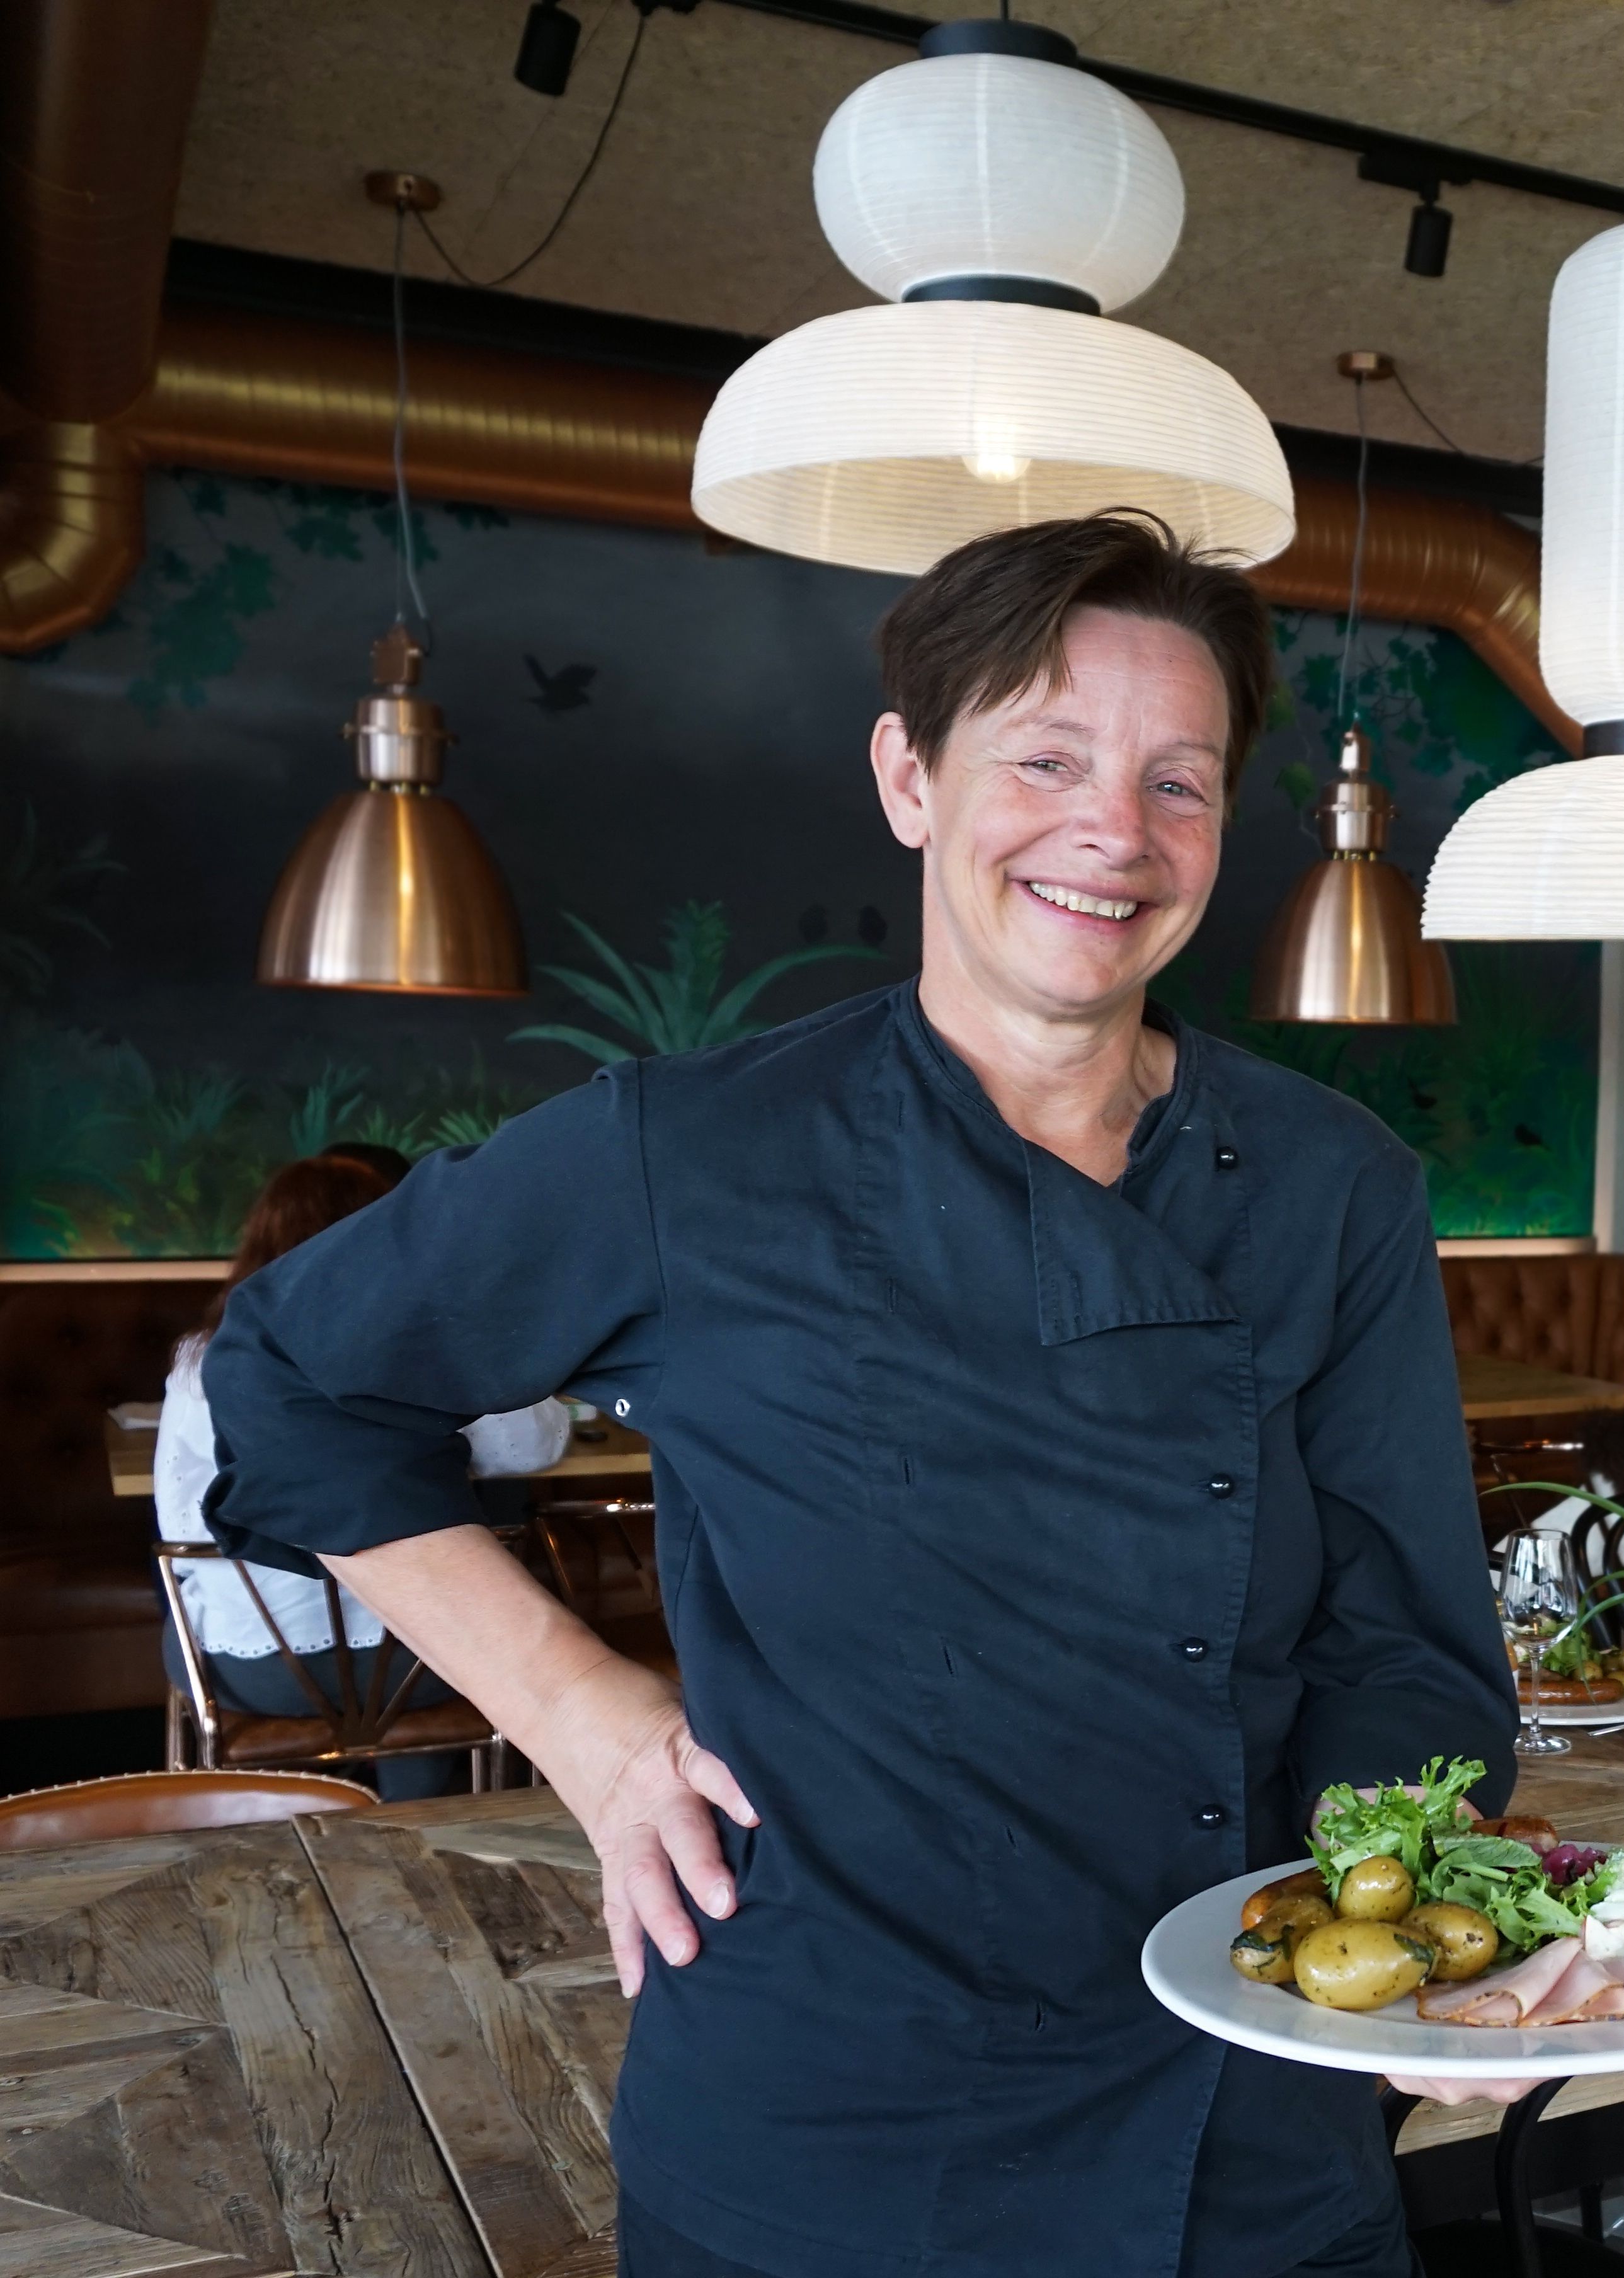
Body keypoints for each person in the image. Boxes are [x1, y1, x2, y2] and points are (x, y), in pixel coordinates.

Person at [204, 512, 1519, 2278]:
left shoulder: (1328, 1184)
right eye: (1045, 758)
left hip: (1249, 2131)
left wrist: (1419, 1942)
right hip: (834, 2135)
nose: (1112, 833)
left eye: (1177, 783)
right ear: (909, 777)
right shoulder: (694, 1152)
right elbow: (285, 1380)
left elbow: (1409, 1652)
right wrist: (585, 1721)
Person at [155, 1153, 569, 1801]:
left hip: (256, 1669)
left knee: (184, 1608)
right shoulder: (427, 1351)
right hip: (419, 1663)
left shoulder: (200, 1361)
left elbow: (182, 1525)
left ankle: (259, 1823)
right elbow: (539, 1442)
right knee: (444, 1638)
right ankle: (418, 1826)